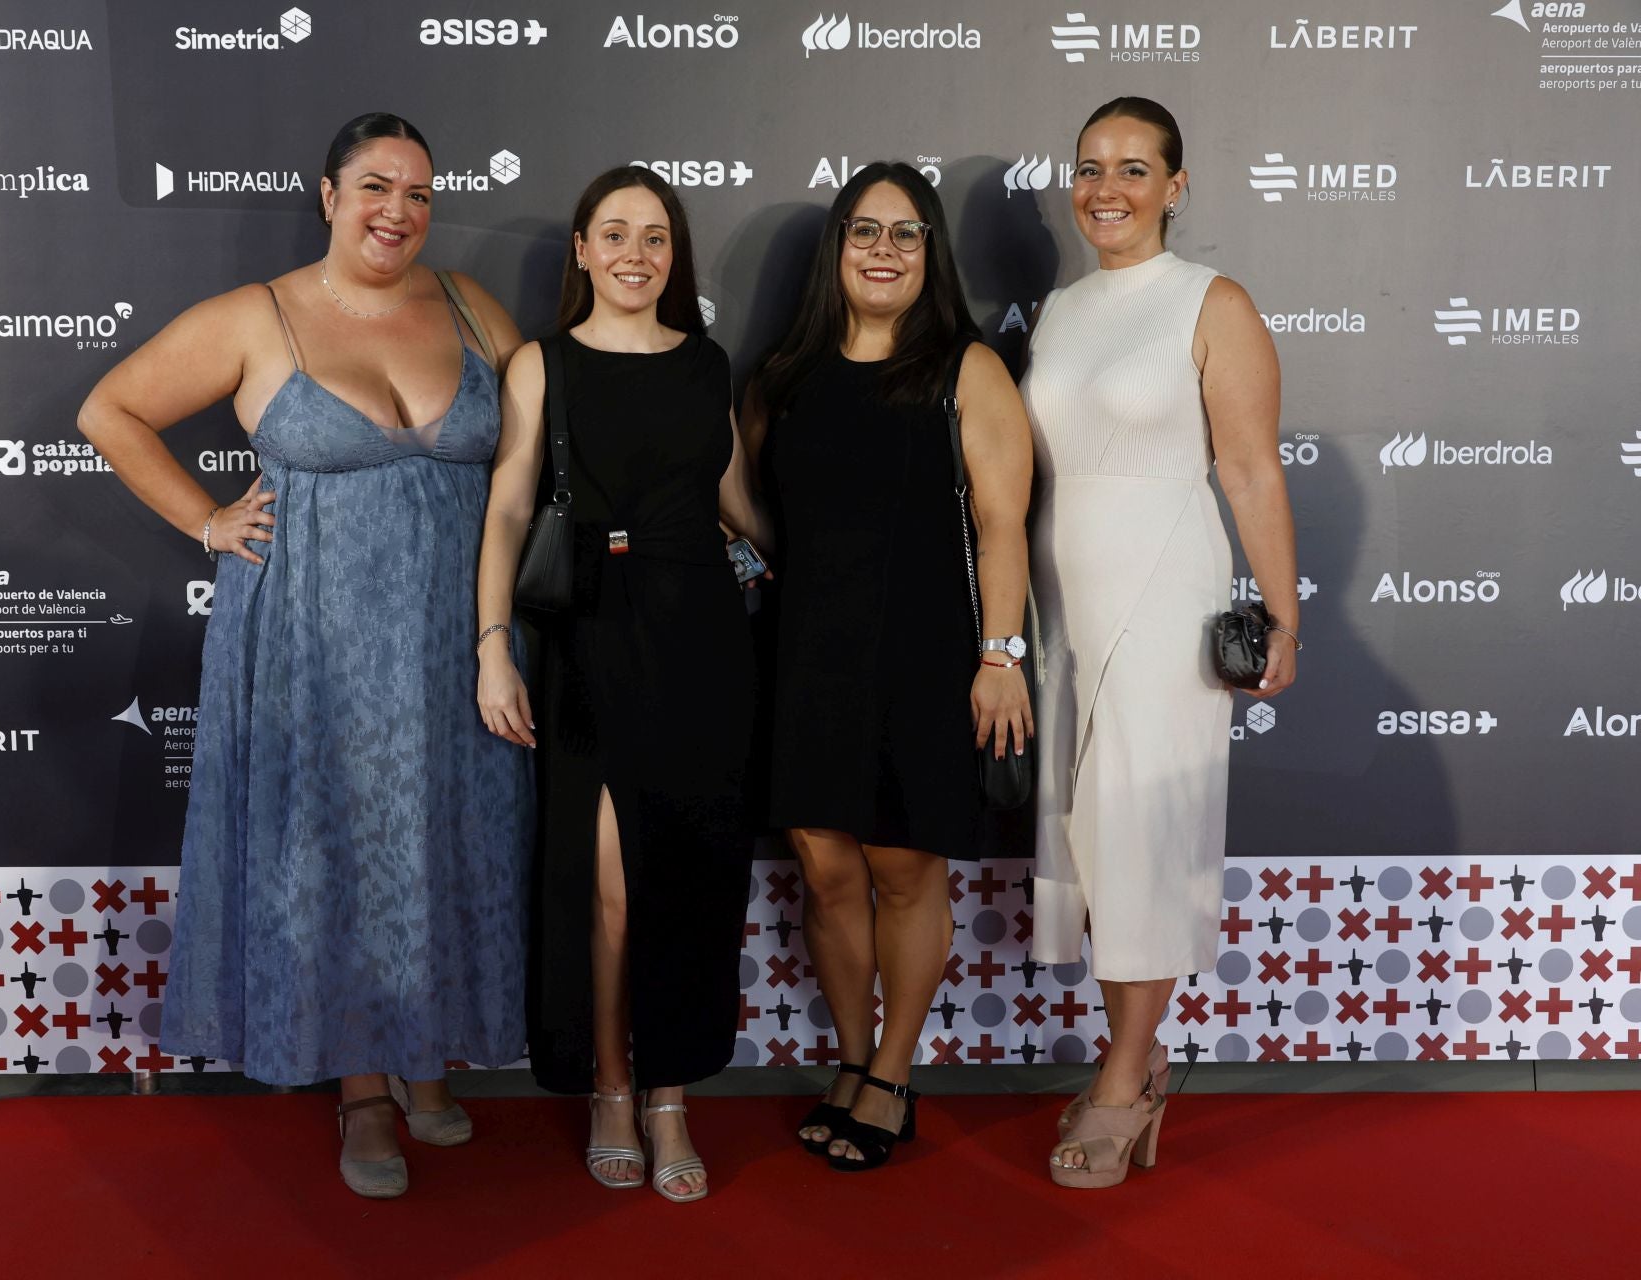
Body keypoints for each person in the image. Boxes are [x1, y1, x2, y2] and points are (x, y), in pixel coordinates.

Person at [76, 113, 532, 1200]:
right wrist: (207, 521)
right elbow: (111, 409)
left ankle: (428, 1054)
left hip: (457, 637)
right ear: (328, 195)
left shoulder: (470, 303)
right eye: (376, 186)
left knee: (444, 836)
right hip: (310, 638)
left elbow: (556, 438)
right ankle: (363, 1084)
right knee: (336, 845)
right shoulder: (260, 314)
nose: (399, 211)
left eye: (419, 192)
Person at [1023, 97, 1300, 1188]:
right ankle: (1138, 1055)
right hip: (1063, 600)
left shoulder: (1211, 302)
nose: (1107, 188)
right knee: (1093, 843)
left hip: (1163, 587)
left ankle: (1124, 1081)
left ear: (1177, 187)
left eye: (1135, 169)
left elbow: (1250, 469)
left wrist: (1283, 613)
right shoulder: (1057, 308)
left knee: (1143, 837)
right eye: (1090, 166)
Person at [476, 165, 767, 1203]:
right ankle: (608, 1084)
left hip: (701, 642)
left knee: (689, 876)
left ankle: (670, 1093)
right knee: (607, 889)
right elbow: (509, 508)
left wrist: (824, 585)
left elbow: (734, 497)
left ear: (671, 255)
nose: (637, 254)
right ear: (584, 251)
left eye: (656, 236)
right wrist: (491, 642)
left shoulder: (706, 364)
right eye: (616, 234)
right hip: (586, 637)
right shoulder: (541, 365)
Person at [744, 162, 1035, 1171]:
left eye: (905, 234)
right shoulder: (786, 373)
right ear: (837, 247)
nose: (882, 250)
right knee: (825, 868)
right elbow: (748, 501)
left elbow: (1003, 527)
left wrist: (1001, 655)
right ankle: (854, 1060)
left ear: (930, 253)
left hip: (923, 653)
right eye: (864, 230)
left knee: (904, 867)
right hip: (806, 650)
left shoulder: (967, 369)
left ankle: (895, 1072)